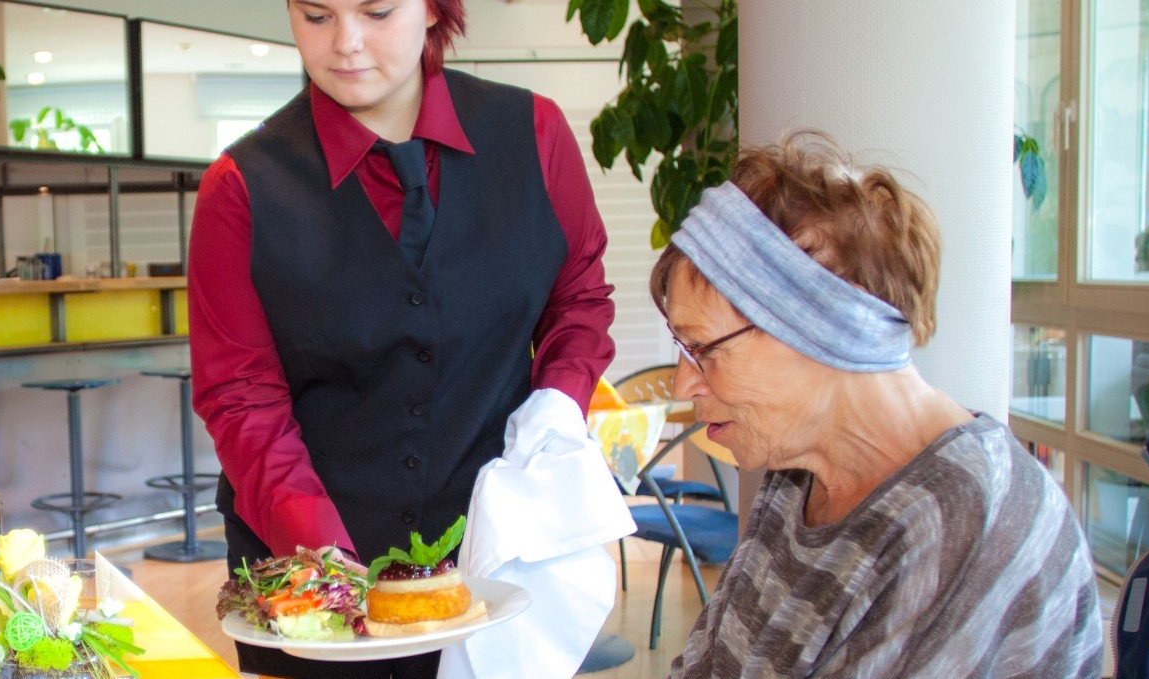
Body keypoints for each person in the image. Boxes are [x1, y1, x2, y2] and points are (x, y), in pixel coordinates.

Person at [187, 0, 616, 676]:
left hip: (493, 558)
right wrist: (331, 571)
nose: (346, 45)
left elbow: (578, 296)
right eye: (316, 15)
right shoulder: (241, 187)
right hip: (309, 570)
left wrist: (558, 402)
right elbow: (241, 397)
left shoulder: (534, 134)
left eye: (377, 11)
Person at [656, 134, 1102, 678]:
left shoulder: (965, 522)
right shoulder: (798, 474)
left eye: (701, 348)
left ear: (816, 327)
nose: (684, 385)